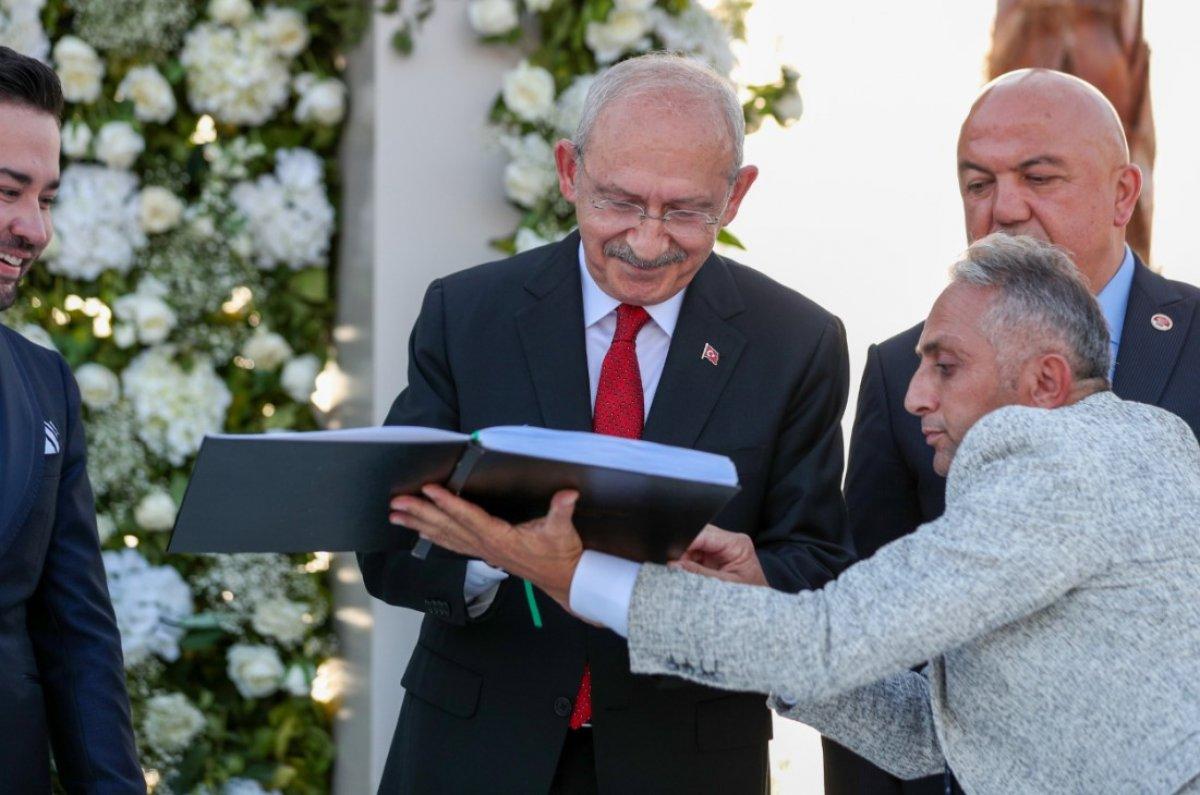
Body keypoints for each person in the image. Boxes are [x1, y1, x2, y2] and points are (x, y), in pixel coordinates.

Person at [398, 234, 1200, 794]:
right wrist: (756, 600)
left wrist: (574, 574)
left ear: (1047, 382)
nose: (915, 395)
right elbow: (933, 731)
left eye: (945, 366)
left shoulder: (1059, 470)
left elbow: (829, 642)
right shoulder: (1135, 445)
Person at [360, 53, 854, 793]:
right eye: (619, 202)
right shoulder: (467, 315)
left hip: (685, 762)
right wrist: (503, 553)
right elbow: (388, 542)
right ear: (569, 172)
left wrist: (754, 576)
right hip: (473, 753)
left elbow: (818, 565)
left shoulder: (797, 341)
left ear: (737, 195)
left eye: (685, 211)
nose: (648, 241)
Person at [824, 68, 1200, 794]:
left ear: (1125, 193)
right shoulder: (900, 371)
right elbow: (876, 643)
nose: (1004, 208)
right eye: (976, 183)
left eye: (1039, 176)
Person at [0, 46, 143, 793]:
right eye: (6, 190)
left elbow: (77, 636)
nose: (34, 229)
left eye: (46, 198)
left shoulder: (45, 384)